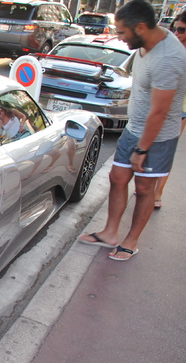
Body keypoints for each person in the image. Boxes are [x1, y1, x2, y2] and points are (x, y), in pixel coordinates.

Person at [77, 0, 186, 261]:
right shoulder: (145, 45)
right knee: (117, 178)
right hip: (133, 128)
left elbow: (159, 112)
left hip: (156, 137)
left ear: (140, 27)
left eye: (123, 33)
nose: (120, 37)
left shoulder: (168, 58)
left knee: (145, 188)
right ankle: (110, 233)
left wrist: (142, 148)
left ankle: (131, 241)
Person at [154, 12, 186, 209]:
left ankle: (158, 192)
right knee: (151, 145)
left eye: (181, 29)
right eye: (175, 28)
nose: (177, 33)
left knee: (167, 149)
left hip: (180, 109)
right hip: (158, 104)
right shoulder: (170, 49)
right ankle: (148, 184)